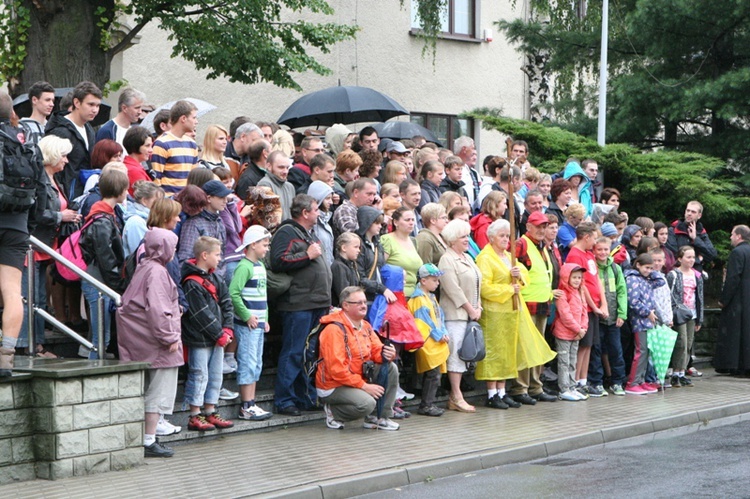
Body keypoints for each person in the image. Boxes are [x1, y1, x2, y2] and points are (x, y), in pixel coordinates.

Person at [475, 219, 556, 409]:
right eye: (502, 236)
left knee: (508, 353)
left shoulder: (508, 256)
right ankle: (491, 393)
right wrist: (509, 289)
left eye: (508, 236)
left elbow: (524, 277)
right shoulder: (485, 257)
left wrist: (519, 274)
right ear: (492, 237)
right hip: (495, 313)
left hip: (511, 312)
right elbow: (485, 287)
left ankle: (502, 391)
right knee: (495, 352)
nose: (506, 239)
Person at [116, 228, 183, 458]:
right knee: (157, 392)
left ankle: (148, 438)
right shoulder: (157, 272)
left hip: (142, 340)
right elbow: (158, 308)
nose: (174, 251)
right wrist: (170, 336)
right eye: (172, 246)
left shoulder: (145, 267)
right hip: (156, 344)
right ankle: (149, 440)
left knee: (152, 390)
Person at [270, 194, 332, 415]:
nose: (318, 213)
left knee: (309, 352)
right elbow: (277, 261)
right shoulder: (286, 231)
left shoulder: (307, 233)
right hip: (298, 304)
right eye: (316, 209)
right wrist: (306, 255)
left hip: (316, 303)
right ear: (305, 213)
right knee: (294, 351)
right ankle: (284, 399)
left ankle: (305, 396)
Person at [17, 135, 78, 358]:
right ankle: (27, 344)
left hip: (45, 247)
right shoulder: (40, 179)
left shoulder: (53, 179)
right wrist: (60, 216)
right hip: (32, 246)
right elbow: (35, 213)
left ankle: (37, 343)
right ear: (52, 155)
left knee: (40, 299)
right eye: (63, 155)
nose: (67, 161)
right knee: (29, 297)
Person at [316, 286, 400, 431]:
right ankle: (334, 413)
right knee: (366, 404)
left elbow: (376, 352)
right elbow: (336, 370)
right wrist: (364, 386)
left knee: (390, 367)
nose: (363, 306)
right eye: (358, 303)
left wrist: (387, 354)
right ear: (345, 306)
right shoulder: (333, 330)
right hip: (333, 385)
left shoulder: (365, 326)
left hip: (355, 379)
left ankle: (379, 417)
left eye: (364, 302)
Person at [181, 236, 235, 431]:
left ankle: (210, 409)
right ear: (205, 255)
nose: (220, 258)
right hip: (200, 339)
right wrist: (219, 333)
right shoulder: (191, 283)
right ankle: (195, 413)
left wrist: (228, 329)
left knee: (215, 375)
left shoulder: (216, 278)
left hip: (218, 337)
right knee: (199, 374)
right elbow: (200, 314)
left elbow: (227, 303)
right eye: (217, 254)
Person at [79, 169, 129, 359]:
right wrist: (117, 284)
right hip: (99, 281)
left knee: (102, 337)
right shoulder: (102, 219)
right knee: (101, 338)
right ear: (119, 190)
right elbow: (105, 257)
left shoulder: (104, 214)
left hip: (99, 279)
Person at [510, 211, 558, 403]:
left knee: (537, 347)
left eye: (544, 226)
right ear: (528, 226)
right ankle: (520, 388)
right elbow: (511, 267)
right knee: (525, 347)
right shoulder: (522, 244)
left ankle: (535, 386)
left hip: (541, 303)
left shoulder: (542, 247)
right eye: (538, 226)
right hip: (526, 304)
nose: (541, 230)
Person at [229, 225, 274, 421]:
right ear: (253, 244)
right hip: (247, 325)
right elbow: (234, 293)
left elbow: (262, 295)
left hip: (258, 324)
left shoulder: (260, 267)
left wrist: (265, 318)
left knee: (256, 363)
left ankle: (252, 402)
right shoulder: (244, 266)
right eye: (264, 245)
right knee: (247, 362)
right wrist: (246, 316)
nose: (267, 248)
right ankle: (246, 405)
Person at [438, 219, 482, 413]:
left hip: (469, 313)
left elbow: (476, 284)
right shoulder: (447, 259)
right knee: (456, 354)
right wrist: (470, 308)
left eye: (468, 235)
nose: (467, 239)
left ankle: (458, 394)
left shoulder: (467, 257)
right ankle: (456, 395)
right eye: (463, 236)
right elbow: (452, 289)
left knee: (464, 354)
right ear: (453, 239)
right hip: (455, 314)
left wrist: (478, 305)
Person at [564, 221, 608, 397]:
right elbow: (581, 285)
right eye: (594, 238)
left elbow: (597, 280)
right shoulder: (575, 255)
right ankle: (575, 381)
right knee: (581, 345)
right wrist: (593, 307)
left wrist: (603, 304)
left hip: (594, 307)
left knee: (589, 345)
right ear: (587, 236)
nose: (596, 242)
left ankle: (583, 380)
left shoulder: (589, 255)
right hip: (583, 308)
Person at [45, 81, 102, 198]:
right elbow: (52, 169)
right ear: (77, 102)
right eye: (91, 105)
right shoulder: (60, 131)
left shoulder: (89, 128)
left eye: (97, 106)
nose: (95, 110)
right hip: (67, 196)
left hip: (86, 192)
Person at [408, 264, 449, 417]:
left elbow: (440, 317)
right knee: (432, 374)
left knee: (434, 373)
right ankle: (426, 405)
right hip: (428, 342)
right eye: (434, 280)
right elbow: (424, 322)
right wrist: (439, 334)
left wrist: (443, 331)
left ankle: (428, 403)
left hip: (436, 341)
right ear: (423, 281)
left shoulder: (431, 297)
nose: (437, 283)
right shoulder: (419, 299)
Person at [593, 237, 628, 396]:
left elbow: (622, 291)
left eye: (605, 249)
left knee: (616, 350)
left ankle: (617, 381)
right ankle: (596, 381)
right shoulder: (592, 267)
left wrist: (622, 313)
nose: (602, 252)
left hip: (614, 317)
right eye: (599, 249)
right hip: (597, 317)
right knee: (597, 349)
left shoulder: (615, 268)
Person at [666, 246, 704, 388]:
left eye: (693, 257)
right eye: (688, 257)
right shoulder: (673, 274)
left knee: (688, 344)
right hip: (679, 313)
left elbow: (699, 297)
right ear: (680, 259)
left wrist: (699, 318)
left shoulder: (697, 275)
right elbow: (669, 295)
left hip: (692, 314)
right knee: (681, 342)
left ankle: (682, 373)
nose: (691, 260)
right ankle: (675, 373)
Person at [624, 253, 661, 395]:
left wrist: (652, 272)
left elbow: (660, 281)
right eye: (646, 267)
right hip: (640, 321)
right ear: (638, 265)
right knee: (641, 351)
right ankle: (632, 382)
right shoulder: (633, 279)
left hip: (648, 321)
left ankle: (640, 381)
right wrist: (647, 313)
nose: (649, 271)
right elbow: (633, 301)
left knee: (646, 352)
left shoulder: (646, 278)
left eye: (651, 268)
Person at [715, 225, 750, 375]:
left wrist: (724, 299)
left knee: (735, 333)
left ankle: (734, 364)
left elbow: (733, 278)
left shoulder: (737, 252)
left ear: (739, 236)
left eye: (732, 234)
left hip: (738, 299)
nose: (730, 237)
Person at [176, 180, 229, 277]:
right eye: (221, 197)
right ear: (209, 198)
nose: (225, 201)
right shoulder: (193, 223)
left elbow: (222, 254)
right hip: (200, 282)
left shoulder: (219, 221)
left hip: (218, 279)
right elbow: (185, 259)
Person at [150, 100, 199, 196]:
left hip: (187, 201)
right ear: (183, 118)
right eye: (194, 117)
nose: (196, 121)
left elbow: (193, 178)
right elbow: (156, 178)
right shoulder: (162, 143)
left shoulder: (192, 144)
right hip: (168, 203)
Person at [553, 263, 588, 401]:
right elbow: (565, 315)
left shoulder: (580, 292)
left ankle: (572, 386)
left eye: (579, 277)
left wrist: (583, 328)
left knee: (573, 361)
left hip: (577, 334)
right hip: (564, 334)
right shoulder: (562, 294)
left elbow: (584, 310)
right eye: (574, 277)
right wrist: (578, 329)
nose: (577, 280)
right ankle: (564, 388)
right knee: (564, 362)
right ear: (566, 277)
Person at [355, 206, 396, 306]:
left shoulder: (377, 244)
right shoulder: (358, 245)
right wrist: (381, 288)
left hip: (378, 295)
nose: (380, 226)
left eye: (381, 223)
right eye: (376, 223)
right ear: (367, 223)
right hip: (366, 297)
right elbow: (360, 277)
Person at [381, 207, 423, 297]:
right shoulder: (387, 239)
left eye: (413, 220)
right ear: (395, 222)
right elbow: (380, 267)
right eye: (407, 220)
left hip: (414, 296)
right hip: (395, 295)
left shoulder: (413, 241)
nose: (411, 223)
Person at [665, 201, 717, 272]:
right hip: (678, 273)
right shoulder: (673, 230)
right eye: (688, 210)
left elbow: (711, 254)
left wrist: (695, 239)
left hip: (696, 275)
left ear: (699, 216)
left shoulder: (701, 232)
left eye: (693, 212)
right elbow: (674, 255)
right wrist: (697, 260)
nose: (689, 213)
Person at [122, 181, 164, 256]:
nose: (161, 205)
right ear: (144, 201)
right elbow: (141, 255)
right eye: (157, 201)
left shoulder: (149, 219)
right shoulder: (136, 222)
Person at [258, 150, 296, 221]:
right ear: (269, 166)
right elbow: (267, 219)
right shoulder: (264, 185)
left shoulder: (290, 187)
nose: (285, 171)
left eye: (287, 168)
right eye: (281, 167)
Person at [307, 180, 335, 265]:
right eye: (327, 198)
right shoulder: (312, 224)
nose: (331, 202)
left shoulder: (326, 222)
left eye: (331, 198)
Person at [331, 233, 361, 307]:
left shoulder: (351, 265)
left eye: (359, 247)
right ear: (344, 248)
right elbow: (344, 294)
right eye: (355, 247)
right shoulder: (338, 266)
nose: (358, 251)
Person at [122, 126, 155, 195]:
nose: (151, 150)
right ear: (135, 146)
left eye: (151, 146)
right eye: (147, 146)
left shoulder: (133, 166)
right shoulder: (133, 170)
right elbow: (146, 198)